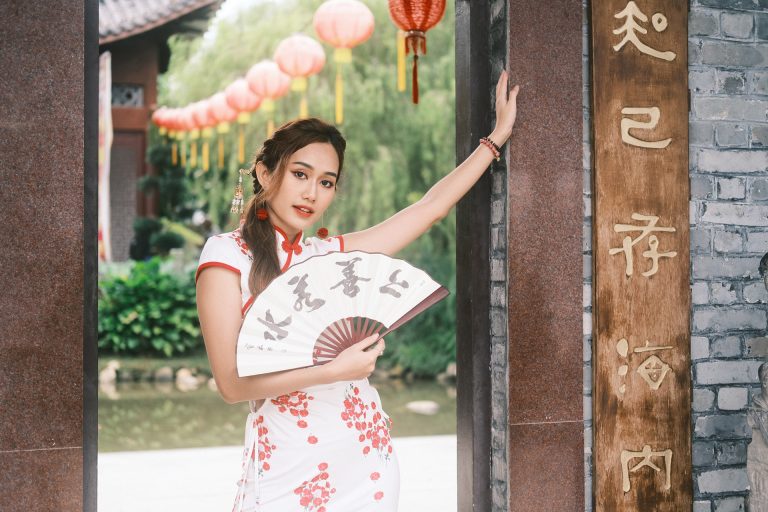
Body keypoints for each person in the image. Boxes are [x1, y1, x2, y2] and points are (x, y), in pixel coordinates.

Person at [195, 70, 519, 512]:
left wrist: (495, 139)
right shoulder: (226, 257)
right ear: (264, 171)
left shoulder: (329, 255)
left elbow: (429, 209)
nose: (312, 192)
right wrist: (334, 370)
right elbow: (232, 386)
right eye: (300, 174)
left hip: (362, 454)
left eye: (326, 182)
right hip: (287, 462)